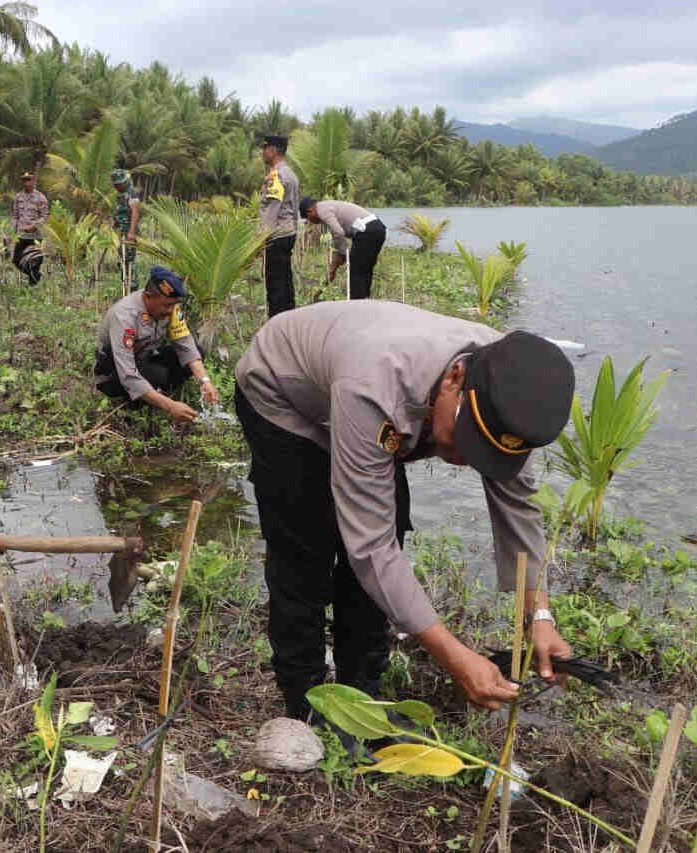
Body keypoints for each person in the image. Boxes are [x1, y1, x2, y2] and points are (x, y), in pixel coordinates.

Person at [234, 300, 577, 721]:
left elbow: (518, 509)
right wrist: (453, 655)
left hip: (367, 394)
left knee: (388, 529)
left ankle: (362, 698)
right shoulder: (376, 385)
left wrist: (539, 615)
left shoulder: (513, 392)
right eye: (467, 441)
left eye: (484, 454)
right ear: (455, 378)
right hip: (284, 395)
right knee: (305, 549)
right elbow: (371, 548)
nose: (466, 460)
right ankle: (306, 702)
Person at [94, 266, 220, 422]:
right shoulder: (125, 316)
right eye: (167, 305)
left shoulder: (170, 307)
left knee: (196, 352)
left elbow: (185, 344)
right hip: (114, 371)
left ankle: (157, 394)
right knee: (157, 375)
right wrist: (170, 406)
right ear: (148, 297)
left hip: (144, 358)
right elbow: (127, 373)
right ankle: (133, 407)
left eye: (174, 304)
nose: (171, 310)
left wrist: (205, 381)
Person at [299, 197, 386, 299]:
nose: (312, 222)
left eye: (309, 219)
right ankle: (364, 301)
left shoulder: (322, 211)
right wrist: (339, 257)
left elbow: (338, 233)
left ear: (310, 212)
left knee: (356, 272)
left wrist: (342, 254)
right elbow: (339, 238)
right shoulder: (326, 206)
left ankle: (357, 304)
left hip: (367, 231)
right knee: (364, 270)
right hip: (378, 229)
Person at [258, 133, 299, 317]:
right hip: (288, 232)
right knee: (285, 282)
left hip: (276, 235)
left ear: (273, 150)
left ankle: (276, 323)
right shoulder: (291, 174)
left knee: (275, 285)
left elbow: (272, 210)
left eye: (265, 148)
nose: (263, 152)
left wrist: (260, 239)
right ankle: (290, 319)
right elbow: (294, 207)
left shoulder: (277, 176)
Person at [10, 172, 48, 285]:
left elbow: (45, 217)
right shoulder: (18, 197)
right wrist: (12, 232)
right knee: (16, 260)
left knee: (35, 262)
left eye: (29, 180)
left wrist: (33, 226)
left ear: (33, 181)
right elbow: (15, 216)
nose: (26, 182)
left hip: (35, 236)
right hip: (21, 236)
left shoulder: (40, 197)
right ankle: (35, 275)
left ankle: (33, 286)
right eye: (24, 180)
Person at [111, 168, 140, 291]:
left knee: (129, 259)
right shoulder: (120, 194)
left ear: (125, 182)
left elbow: (135, 213)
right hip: (120, 231)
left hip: (128, 231)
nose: (117, 186)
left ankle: (133, 288)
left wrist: (132, 232)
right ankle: (125, 285)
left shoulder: (131, 192)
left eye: (119, 184)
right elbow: (119, 211)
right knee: (122, 259)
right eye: (115, 185)